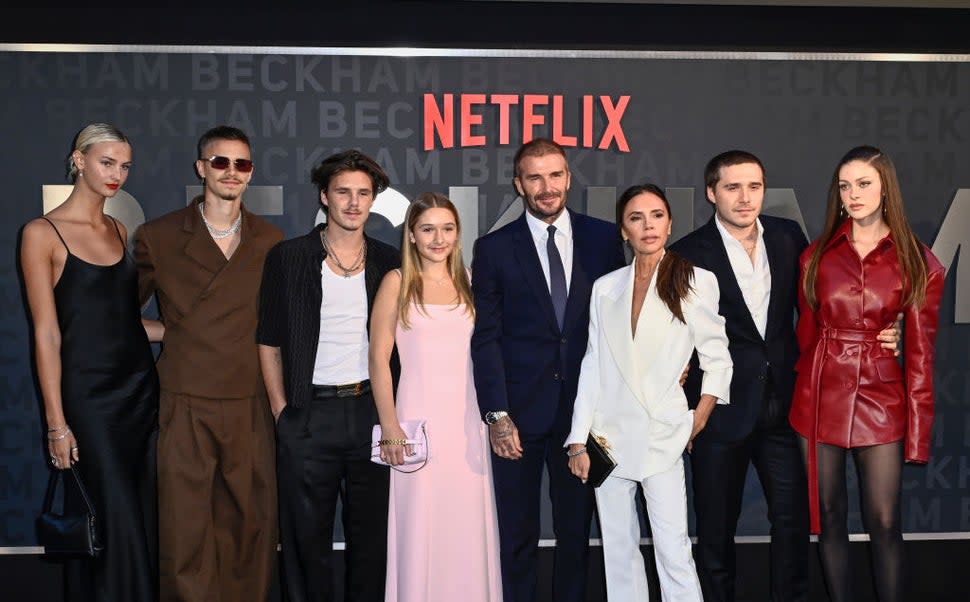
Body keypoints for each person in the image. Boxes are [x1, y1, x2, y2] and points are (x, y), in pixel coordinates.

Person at [470, 138, 626, 602]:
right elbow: (486, 337)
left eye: (554, 175)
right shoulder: (494, 248)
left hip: (584, 415)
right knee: (516, 533)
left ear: (568, 178)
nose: (546, 187)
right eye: (534, 177)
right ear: (518, 184)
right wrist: (497, 415)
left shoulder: (603, 239)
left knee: (576, 531)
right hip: (519, 415)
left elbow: (619, 327)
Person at [134, 125, 283, 602]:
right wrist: (176, 331)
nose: (231, 173)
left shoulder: (271, 239)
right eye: (220, 162)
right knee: (184, 527)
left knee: (250, 526)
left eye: (242, 164)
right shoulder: (157, 236)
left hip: (249, 397)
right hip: (184, 398)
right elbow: (119, 319)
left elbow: (280, 327)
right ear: (201, 168)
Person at [790, 145, 944, 602]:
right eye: (844, 186)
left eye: (863, 184)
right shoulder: (814, 256)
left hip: (881, 399)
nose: (853, 195)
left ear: (885, 189)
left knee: (885, 521)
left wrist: (917, 437)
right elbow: (805, 332)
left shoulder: (919, 261)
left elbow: (920, 358)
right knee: (830, 517)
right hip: (817, 398)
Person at [566, 183, 732, 601]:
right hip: (607, 437)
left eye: (656, 215)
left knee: (673, 549)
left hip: (663, 433)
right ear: (624, 230)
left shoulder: (695, 280)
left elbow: (718, 358)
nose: (648, 226)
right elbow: (593, 363)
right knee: (618, 551)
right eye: (636, 218)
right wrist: (576, 440)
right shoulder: (606, 287)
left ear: (670, 222)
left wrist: (699, 417)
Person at [20, 122, 159, 601]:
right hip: (90, 400)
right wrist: (57, 423)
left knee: (141, 511)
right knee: (110, 515)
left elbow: (125, 322)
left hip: (141, 391)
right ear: (78, 160)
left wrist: (200, 333)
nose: (118, 173)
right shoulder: (42, 233)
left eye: (125, 165)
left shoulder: (120, 229)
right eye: (107, 162)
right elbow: (47, 332)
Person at [257, 149, 400, 602]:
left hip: (369, 414)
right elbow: (268, 341)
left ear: (373, 200)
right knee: (304, 542)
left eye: (363, 193)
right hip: (308, 413)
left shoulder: (389, 260)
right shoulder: (289, 257)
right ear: (324, 197)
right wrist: (283, 413)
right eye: (344, 192)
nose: (354, 203)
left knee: (372, 540)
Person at [669, 150, 812, 602]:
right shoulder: (687, 253)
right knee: (715, 529)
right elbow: (671, 335)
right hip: (719, 411)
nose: (745, 197)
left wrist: (883, 330)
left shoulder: (789, 236)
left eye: (754, 186)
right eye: (733, 187)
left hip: (783, 410)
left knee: (792, 523)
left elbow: (820, 305)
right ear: (712, 193)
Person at [370, 192, 502, 602]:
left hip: (467, 423)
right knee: (419, 527)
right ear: (411, 235)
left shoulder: (471, 280)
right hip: (415, 425)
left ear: (458, 234)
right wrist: (390, 427)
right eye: (428, 229)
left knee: (466, 528)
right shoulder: (396, 282)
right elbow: (377, 361)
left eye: (447, 228)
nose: (438, 238)